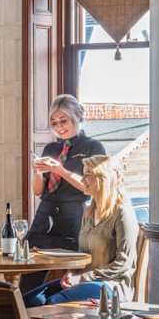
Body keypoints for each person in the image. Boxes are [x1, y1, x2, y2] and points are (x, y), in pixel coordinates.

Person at [24, 155, 139, 309]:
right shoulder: (89, 212)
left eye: (88, 175)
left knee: (53, 303)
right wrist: (72, 272)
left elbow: (123, 264)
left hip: (112, 286)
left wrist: (83, 277)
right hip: (83, 280)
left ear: (104, 178)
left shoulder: (122, 213)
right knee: (30, 301)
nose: (83, 180)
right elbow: (82, 253)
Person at [27, 94, 106, 251]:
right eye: (54, 123)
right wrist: (37, 171)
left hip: (74, 217)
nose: (59, 127)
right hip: (44, 215)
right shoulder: (50, 148)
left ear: (77, 117)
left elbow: (92, 189)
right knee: (27, 264)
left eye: (63, 121)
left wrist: (60, 170)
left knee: (70, 264)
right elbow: (37, 191)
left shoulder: (93, 147)